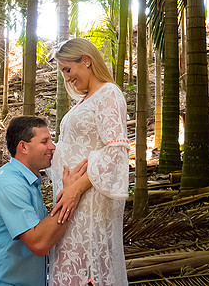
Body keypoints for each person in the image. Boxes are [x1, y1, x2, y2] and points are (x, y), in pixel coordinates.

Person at [49, 38, 129, 286]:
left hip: (88, 198)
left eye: (68, 70)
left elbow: (116, 151)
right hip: (73, 197)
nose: (67, 78)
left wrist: (76, 188)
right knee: (69, 262)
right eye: (63, 72)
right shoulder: (84, 101)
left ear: (86, 61)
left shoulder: (109, 93)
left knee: (87, 267)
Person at [0, 116, 86, 286]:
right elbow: (39, 243)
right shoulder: (9, 185)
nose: (52, 147)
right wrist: (70, 195)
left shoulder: (28, 182)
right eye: (44, 141)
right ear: (23, 146)